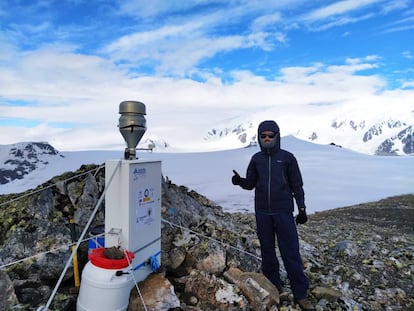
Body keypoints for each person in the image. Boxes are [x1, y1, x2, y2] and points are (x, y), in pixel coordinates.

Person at [231, 120, 315, 311]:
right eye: (263, 136)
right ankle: (272, 287)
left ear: (277, 136)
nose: (267, 138)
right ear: (259, 138)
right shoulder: (256, 159)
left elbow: (297, 185)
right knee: (267, 252)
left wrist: (301, 208)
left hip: (283, 213)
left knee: (291, 252)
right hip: (262, 214)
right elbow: (251, 183)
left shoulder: (287, 158)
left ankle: (300, 294)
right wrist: (240, 182)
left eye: (271, 135)